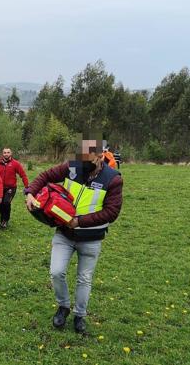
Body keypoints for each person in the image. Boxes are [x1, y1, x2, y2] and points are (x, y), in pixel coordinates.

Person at [24, 135, 123, 333]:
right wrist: (29, 192)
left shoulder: (113, 179)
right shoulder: (72, 167)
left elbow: (111, 213)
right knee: (56, 272)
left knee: (84, 279)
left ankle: (80, 315)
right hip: (64, 234)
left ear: (100, 156)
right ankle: (63, 306)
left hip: (91, 238)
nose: (83, 161)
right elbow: (45, 176)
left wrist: (79, 221)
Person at [0, 148, 29, 229]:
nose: (6, 154)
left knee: (6, 202)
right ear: (2, 154)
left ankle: (5, 220)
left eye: (8, 152)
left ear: (11, 153)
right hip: (1, 188)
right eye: (4, 153)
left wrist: (27, 187)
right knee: (1, 204)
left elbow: (23, 175)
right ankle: (2, 221)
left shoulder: (15, 164)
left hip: (11, 188)